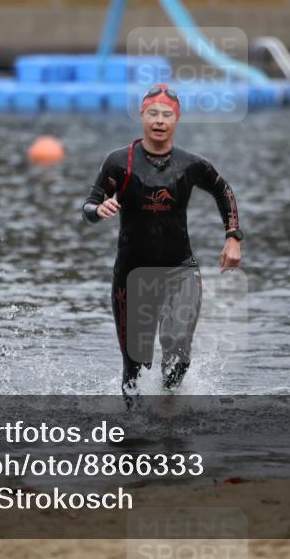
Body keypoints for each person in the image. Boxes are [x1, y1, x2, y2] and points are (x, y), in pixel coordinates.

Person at [81, 84, 243, 401]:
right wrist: (99, 211)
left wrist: (233, 237)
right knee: (135, 369)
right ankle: (132, 437)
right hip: (131, 276)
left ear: (176, 119)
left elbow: (224, 191)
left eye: (166, 114)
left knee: (177, 343)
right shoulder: (118, 163)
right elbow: (88, 207)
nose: (159, 120)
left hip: (180, 271)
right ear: (142, 116)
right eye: (153, 113)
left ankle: (168, 405)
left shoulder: (192, 164)